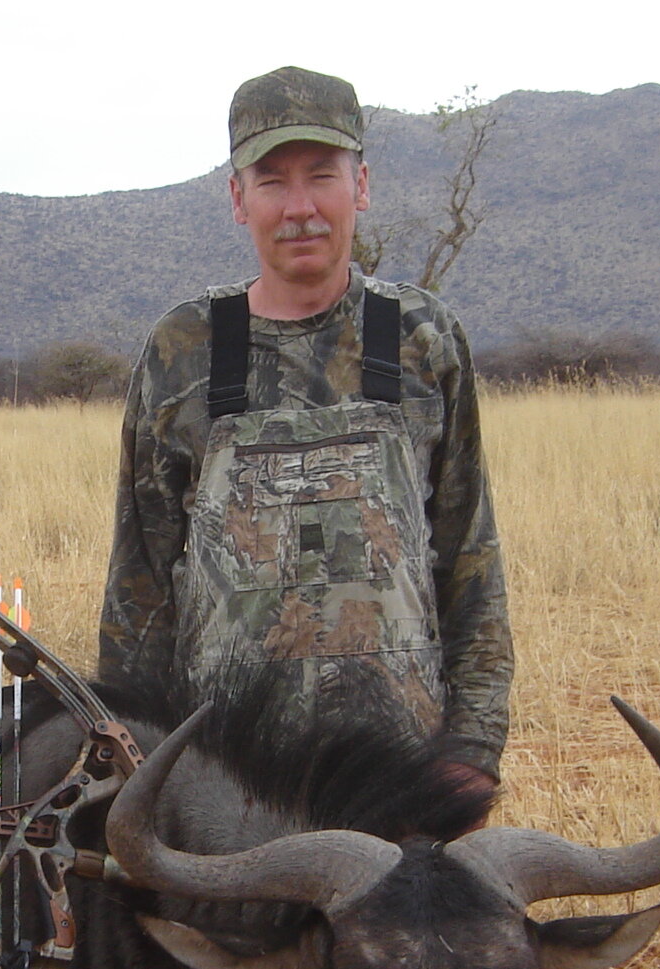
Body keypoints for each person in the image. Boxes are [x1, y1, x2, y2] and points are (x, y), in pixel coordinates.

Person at [97, 65, 511, 801]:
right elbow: (141, 587)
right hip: (228, 783)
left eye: (322, 176)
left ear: (362, 186)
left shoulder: (424, 337)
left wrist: (474, 746)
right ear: (237, 198)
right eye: (271, 182)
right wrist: (128, 759)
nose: (300, 209)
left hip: (396, 772)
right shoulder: (182, 347)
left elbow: (471, 562)